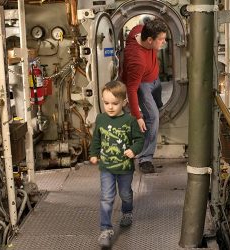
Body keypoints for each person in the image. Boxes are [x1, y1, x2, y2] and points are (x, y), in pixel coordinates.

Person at [89, 80, 145, 248]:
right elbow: (97, 138)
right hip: (106, 168)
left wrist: (133, 150)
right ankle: (105, 229)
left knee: (125, 194)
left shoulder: (130, 120)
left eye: (115, 103)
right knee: (106, 198)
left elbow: (139, 139)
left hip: (125, 168)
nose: (110, 107)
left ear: (124, 102)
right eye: (106, 103)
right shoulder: (101, 119)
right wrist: (93, 153)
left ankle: (127, 212)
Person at [122, 18, 167, 174]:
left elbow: (133, 36)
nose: (164, 42)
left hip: (155, 80)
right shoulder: (137, 60)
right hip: (143, 85)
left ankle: (149, 128)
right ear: (149, 40)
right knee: (152, 116)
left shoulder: (138, 30)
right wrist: (138, 115)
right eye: (161, 40)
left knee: (159, 106)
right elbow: (131, 88)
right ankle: (145, 159)